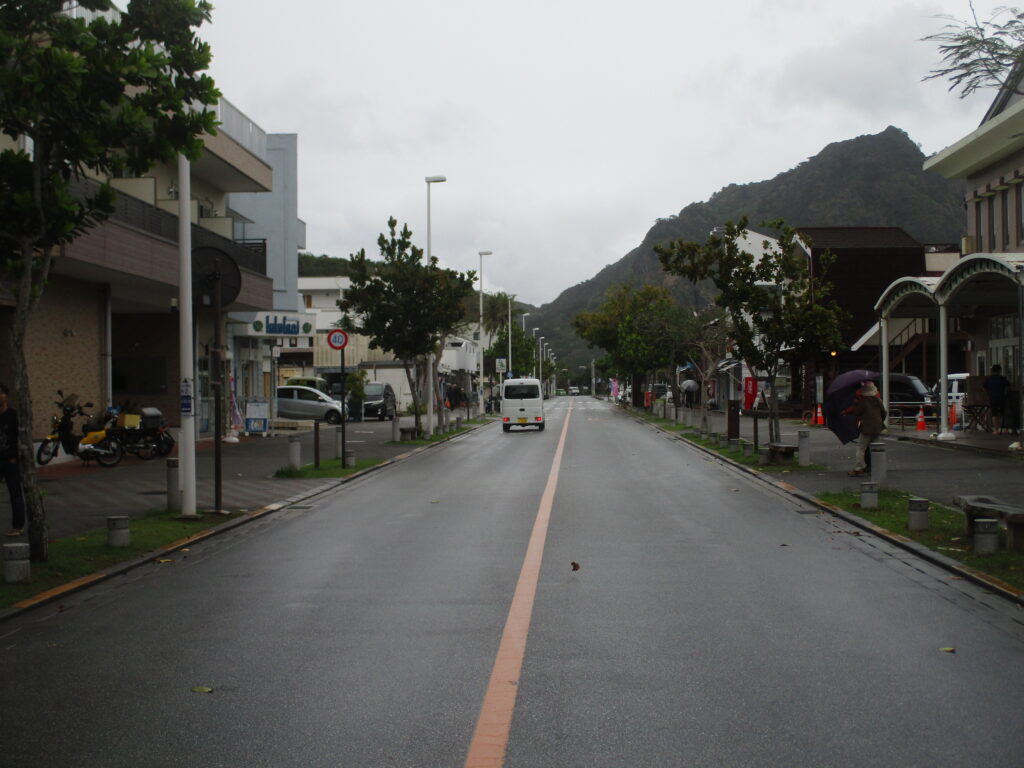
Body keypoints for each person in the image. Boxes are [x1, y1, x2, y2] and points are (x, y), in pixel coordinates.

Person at [0, 383, 26, 536]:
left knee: (15, 494)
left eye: (1, 393)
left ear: (6, 396)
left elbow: (20, 437)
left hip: (10, 460)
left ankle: (18, 526)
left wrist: (14, 457)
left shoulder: (13, 415)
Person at [847, 381, 886, 477]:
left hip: (867, 428)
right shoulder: (878, 400)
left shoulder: (864, 402)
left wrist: (855, 404)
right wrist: (880, 421)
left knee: (861, 447)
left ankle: (858, 468)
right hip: (878, 427)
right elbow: (884, 413)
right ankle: (877, 468)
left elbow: (857, 412)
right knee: (876, 448)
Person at [983, 364, 1012, 433]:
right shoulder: (1002, 378)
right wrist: (1005, 393)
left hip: (992, 398)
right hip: (1001, 398)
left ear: (992, 371)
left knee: (994, 414)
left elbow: (984, 388)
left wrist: (988, 394)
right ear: (999, 370)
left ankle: (996, 430)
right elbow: (1008, 386)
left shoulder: (989, 379)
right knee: (1001, 413)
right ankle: (1000, 429)